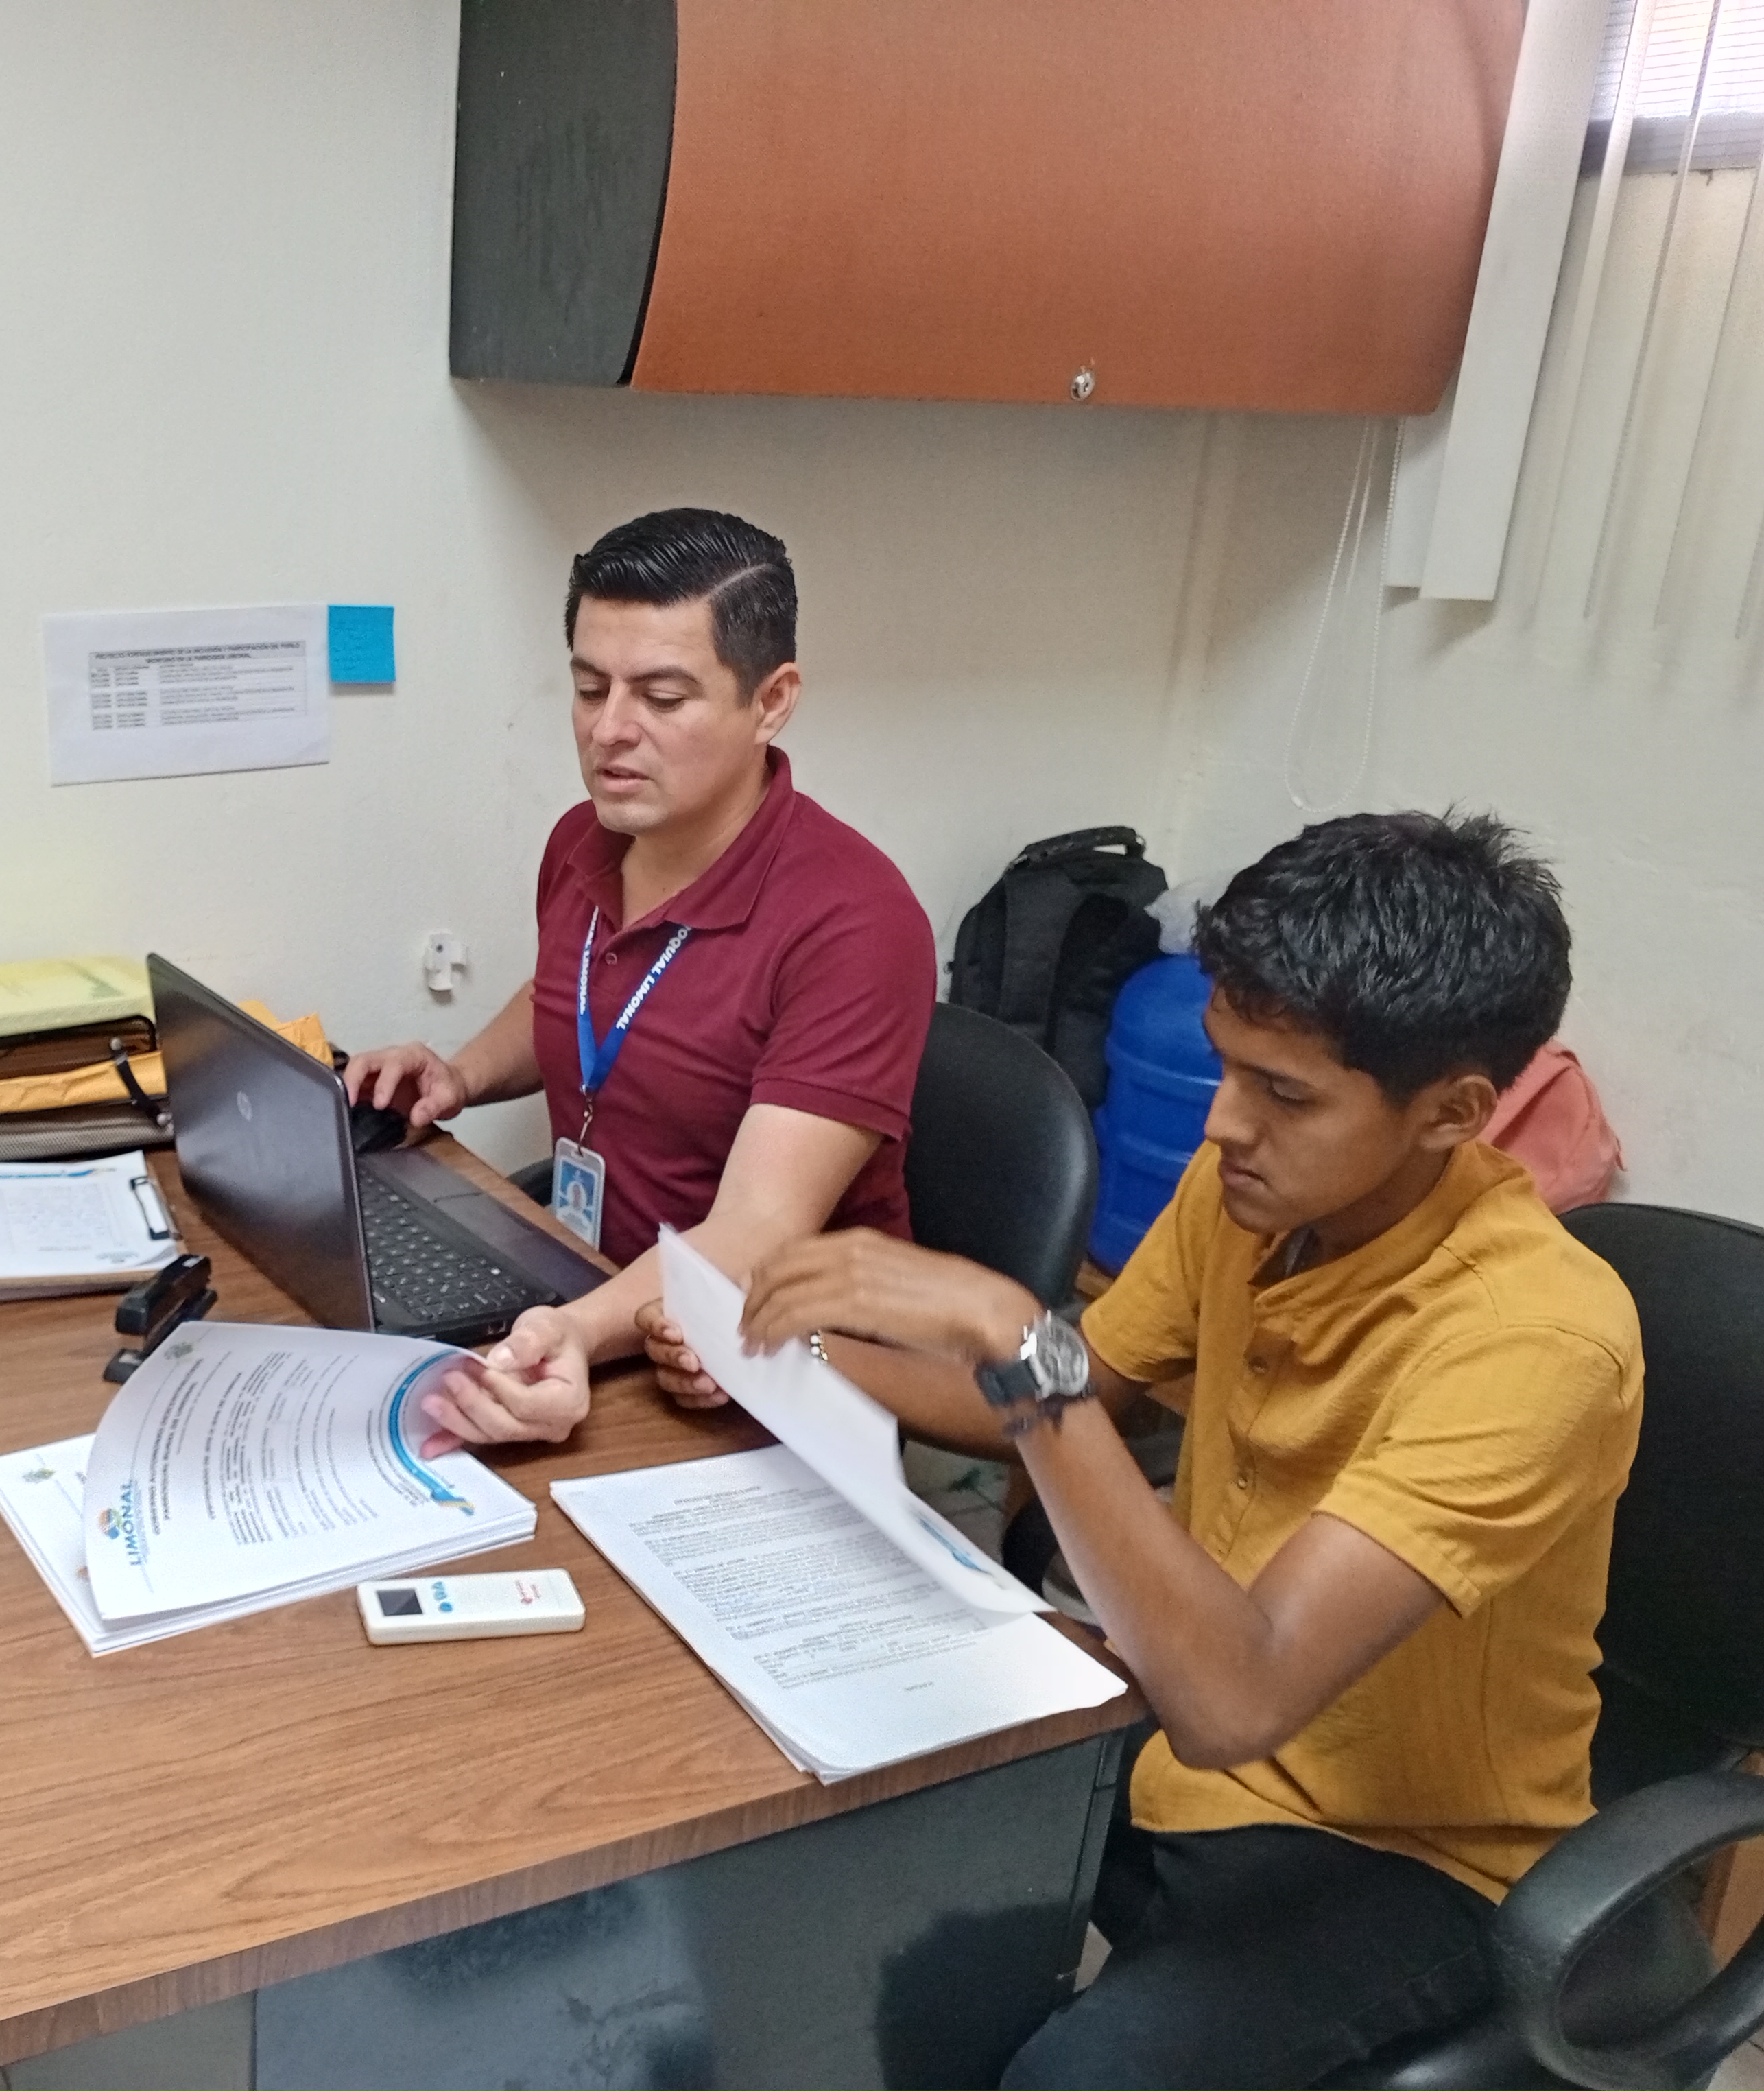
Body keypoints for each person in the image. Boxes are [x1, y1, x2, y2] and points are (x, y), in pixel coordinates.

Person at [649, 811, 1641, 2090]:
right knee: (844, 1875)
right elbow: (1064, 1394)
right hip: (1183, 1722)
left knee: (1073, 2079)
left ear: (1453, 1113)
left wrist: (1010, 1334)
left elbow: (1239, 1697)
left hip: (1406, 1847)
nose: (1224, 1123)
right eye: (1227, 1066)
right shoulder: (1256, 1198)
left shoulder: (1536, 1339)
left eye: (1285, 1094)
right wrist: (787, 1352)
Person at [344, 508, 934, 1458]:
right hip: (597, 1298)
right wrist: (461, 1076)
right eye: (589, 688)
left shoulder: (857, 921)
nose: (609, 731)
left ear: (771, 701)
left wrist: (576, 1332)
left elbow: (759, 1227)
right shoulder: (586, 839)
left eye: (662, 697)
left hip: (764, 1372)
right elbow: (574, 991)